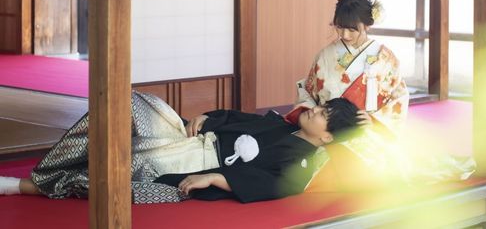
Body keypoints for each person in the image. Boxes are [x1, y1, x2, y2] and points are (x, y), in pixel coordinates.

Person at [0, 91, 359, 204]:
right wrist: (206, 116)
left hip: (195, 163)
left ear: (327, 137)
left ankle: (25, 185)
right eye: (321, 106)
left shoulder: (304, 163)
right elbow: (236, 117)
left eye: (323, 114)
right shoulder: (282, 124)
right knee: (129, 101)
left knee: (124, 168)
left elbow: (275, 185)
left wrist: (216, 178)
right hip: (188, 135)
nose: (314, 110)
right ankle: (49, 169)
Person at [294, 0, 409, 135]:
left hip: (367, 133)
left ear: (367, 25)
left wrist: (375, 121)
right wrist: (316, 119)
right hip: (327, 132)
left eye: (352, 29)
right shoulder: (325, 56)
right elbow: (308, 93)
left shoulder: (386, 59)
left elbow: (399, 99)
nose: (344, 35)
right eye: (340, 27)